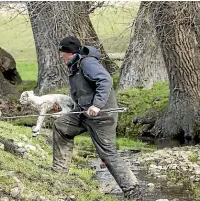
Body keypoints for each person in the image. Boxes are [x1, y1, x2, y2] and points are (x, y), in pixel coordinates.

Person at [50, 36, 142, 199]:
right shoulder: (75, 64)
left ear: (70, 52)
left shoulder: (87, 63)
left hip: (102, 116)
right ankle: (58, 175)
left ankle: (133, 190)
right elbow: (82, 91)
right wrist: (70, 107)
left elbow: (105, 80)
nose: (60, 55)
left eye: (62, 52)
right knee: (61, 126)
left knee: (107, 153)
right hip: (83, 114)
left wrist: (97, 105)